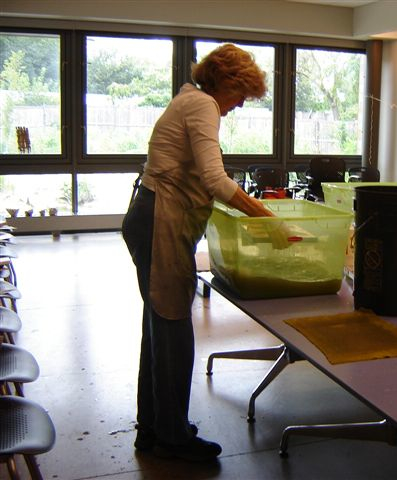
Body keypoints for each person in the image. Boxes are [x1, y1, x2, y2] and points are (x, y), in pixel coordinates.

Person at [122, 44, 283, 462]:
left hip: (152, 217)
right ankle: (172, 438)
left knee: (160, 328)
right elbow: (214, 178)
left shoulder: (189, 100)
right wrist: (269, 220)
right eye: (241, 93)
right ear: (225, 82)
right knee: (173, 329)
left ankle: (154, 427)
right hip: (160, 220)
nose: (240, 104)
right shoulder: (202, 105)